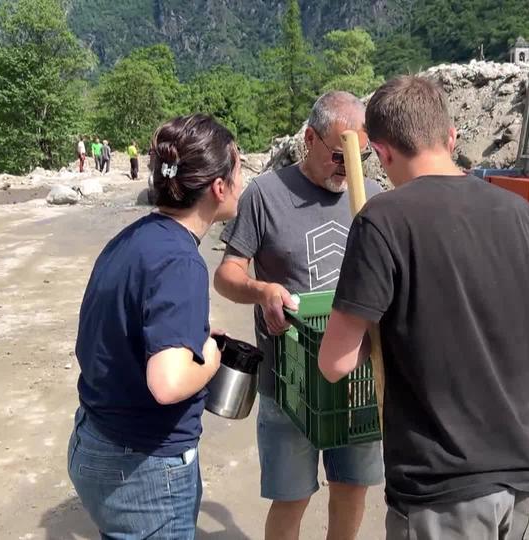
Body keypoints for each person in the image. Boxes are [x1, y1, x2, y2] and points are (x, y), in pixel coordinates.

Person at [316, 76, 529, 539]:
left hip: (443, 490)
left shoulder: (382, 219)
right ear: (451, 138)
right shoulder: (516, 212)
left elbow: (334, 363)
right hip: (528, 481)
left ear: (384, 154)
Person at [214, 91, 384, 540]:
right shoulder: (266, 194)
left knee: (352, 488)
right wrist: (262, 290)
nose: (348, 169)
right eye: (338, 154)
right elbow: (228, 275)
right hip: (288, 382)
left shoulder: (373, 198)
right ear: (309, 138)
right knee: (292, 497)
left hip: (358, 380)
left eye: (359, 157)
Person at [67, 114, 243, 538]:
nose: (242, 181)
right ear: (219, 187)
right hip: (142, 466)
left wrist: (193, 342)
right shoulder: (181, 262)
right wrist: (211, 358)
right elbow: (167, 383)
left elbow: (112, 333)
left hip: (93, 438)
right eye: (240, 170)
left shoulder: (135, 239)